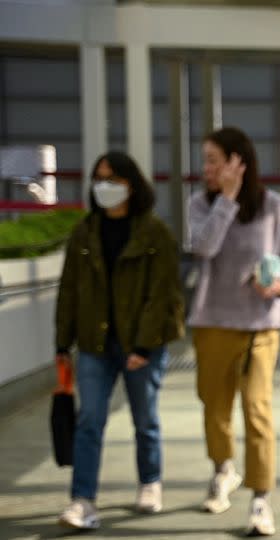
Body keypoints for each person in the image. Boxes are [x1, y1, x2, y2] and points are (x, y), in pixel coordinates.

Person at [56, 152, 184, 530]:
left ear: (131, 185)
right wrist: (62, 344)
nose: (103, 186)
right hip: (95, 344)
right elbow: (69, 291)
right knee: (89, 421)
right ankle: (82, 500)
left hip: (140, 344)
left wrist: (143, 347)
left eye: (111, 179)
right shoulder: (84, 233)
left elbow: (162, 294)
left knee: (144, 419)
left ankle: (150, 481)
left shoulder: (154, 233)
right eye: (98, 178)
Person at [188, 127, 280, 536]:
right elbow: (202, 248)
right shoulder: (200, 205)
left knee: (257, 408)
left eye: (214, 160)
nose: (207, 169)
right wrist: (228, 200)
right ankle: (223, 470)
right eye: (206, 160)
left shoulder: (277, 208)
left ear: (240, 162)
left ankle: (260, 499)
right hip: (213, 321)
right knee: (215, 408)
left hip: (261, 324)